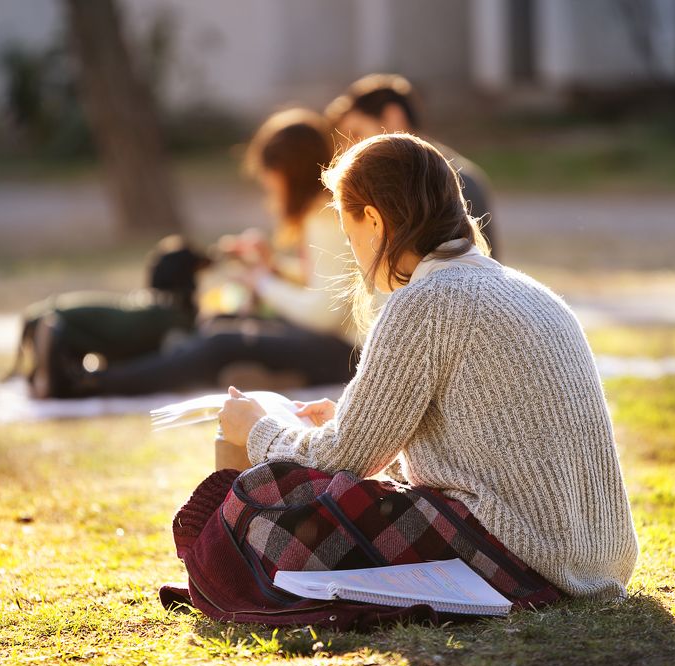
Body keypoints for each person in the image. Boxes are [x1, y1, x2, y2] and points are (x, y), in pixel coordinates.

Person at [219, 133, 638, 599]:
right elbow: (482, 449)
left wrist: (258, 429)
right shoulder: (530, 291)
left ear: (374, 221)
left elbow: (340, 459)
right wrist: (347, 421)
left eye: (348, 232)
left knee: (263, 493)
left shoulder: (427, 301)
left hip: (527, 559)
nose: (353, 250)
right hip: (598, 555)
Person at [57, 109, 358, 397]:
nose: (268, 186)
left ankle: (91, 383)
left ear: (288, 173)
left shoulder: (323, 221)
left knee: (220, 343)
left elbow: (324, 315)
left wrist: (261, 281)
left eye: (270, 176)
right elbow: (331, 285)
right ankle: (110, 373)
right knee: (219, 325)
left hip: (343, 353)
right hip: (333, 345)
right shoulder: (320, 216)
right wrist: (273, 267)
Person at [326, 73, 501, 259]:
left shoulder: (457, 181)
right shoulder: (376, 186)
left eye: (355, 134)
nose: (348, 150)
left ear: (393, 118)